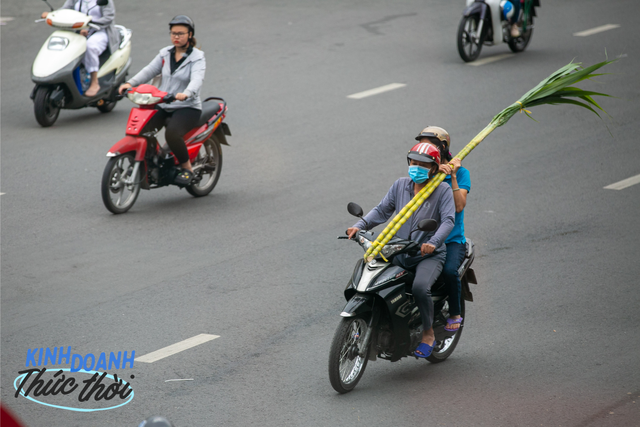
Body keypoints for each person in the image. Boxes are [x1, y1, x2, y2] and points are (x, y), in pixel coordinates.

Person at [347, 142, 455, 358]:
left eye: (422, 164)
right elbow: (382, 210)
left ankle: (427, 333)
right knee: (373, 277)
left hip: (427, 255)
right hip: (397, 250)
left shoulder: (441, 190)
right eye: (413, 163)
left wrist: (433, 241)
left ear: (434, 168)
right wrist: (359, 226)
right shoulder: (400, 186)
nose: (416, 167)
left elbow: (448, 221)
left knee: (420, 287)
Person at [118, 15, 205, 185]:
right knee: (142, 129)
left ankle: (187, 168)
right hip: (164, 102)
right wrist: (129, 83)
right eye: (173, 33)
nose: (176, 37)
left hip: (187, 106)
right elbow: (149, 70)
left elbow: (197, 79)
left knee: (172, 134)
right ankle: (154, 162)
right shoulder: (165, 53)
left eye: (180, 33)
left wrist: (186, 93)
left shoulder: (197, 57)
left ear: (190, 34)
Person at [415, 127, 470, 332]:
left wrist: (452, 177)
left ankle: (455, 313)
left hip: (451, 241)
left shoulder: (462, 173)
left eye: (430, 144)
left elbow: (458, 206)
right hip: (424, 237)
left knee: (448, 271)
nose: (425, 148)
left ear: (442, 147)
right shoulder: (425, 170)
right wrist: (433, 172)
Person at [42, 0, 120, 97]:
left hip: (100, 31)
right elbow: (65, 10)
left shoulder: (105, 1)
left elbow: (108, 18)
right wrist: (51, 15)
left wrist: (88, 25)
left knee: (90, 47)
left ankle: (94, 82)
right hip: (79, 30)